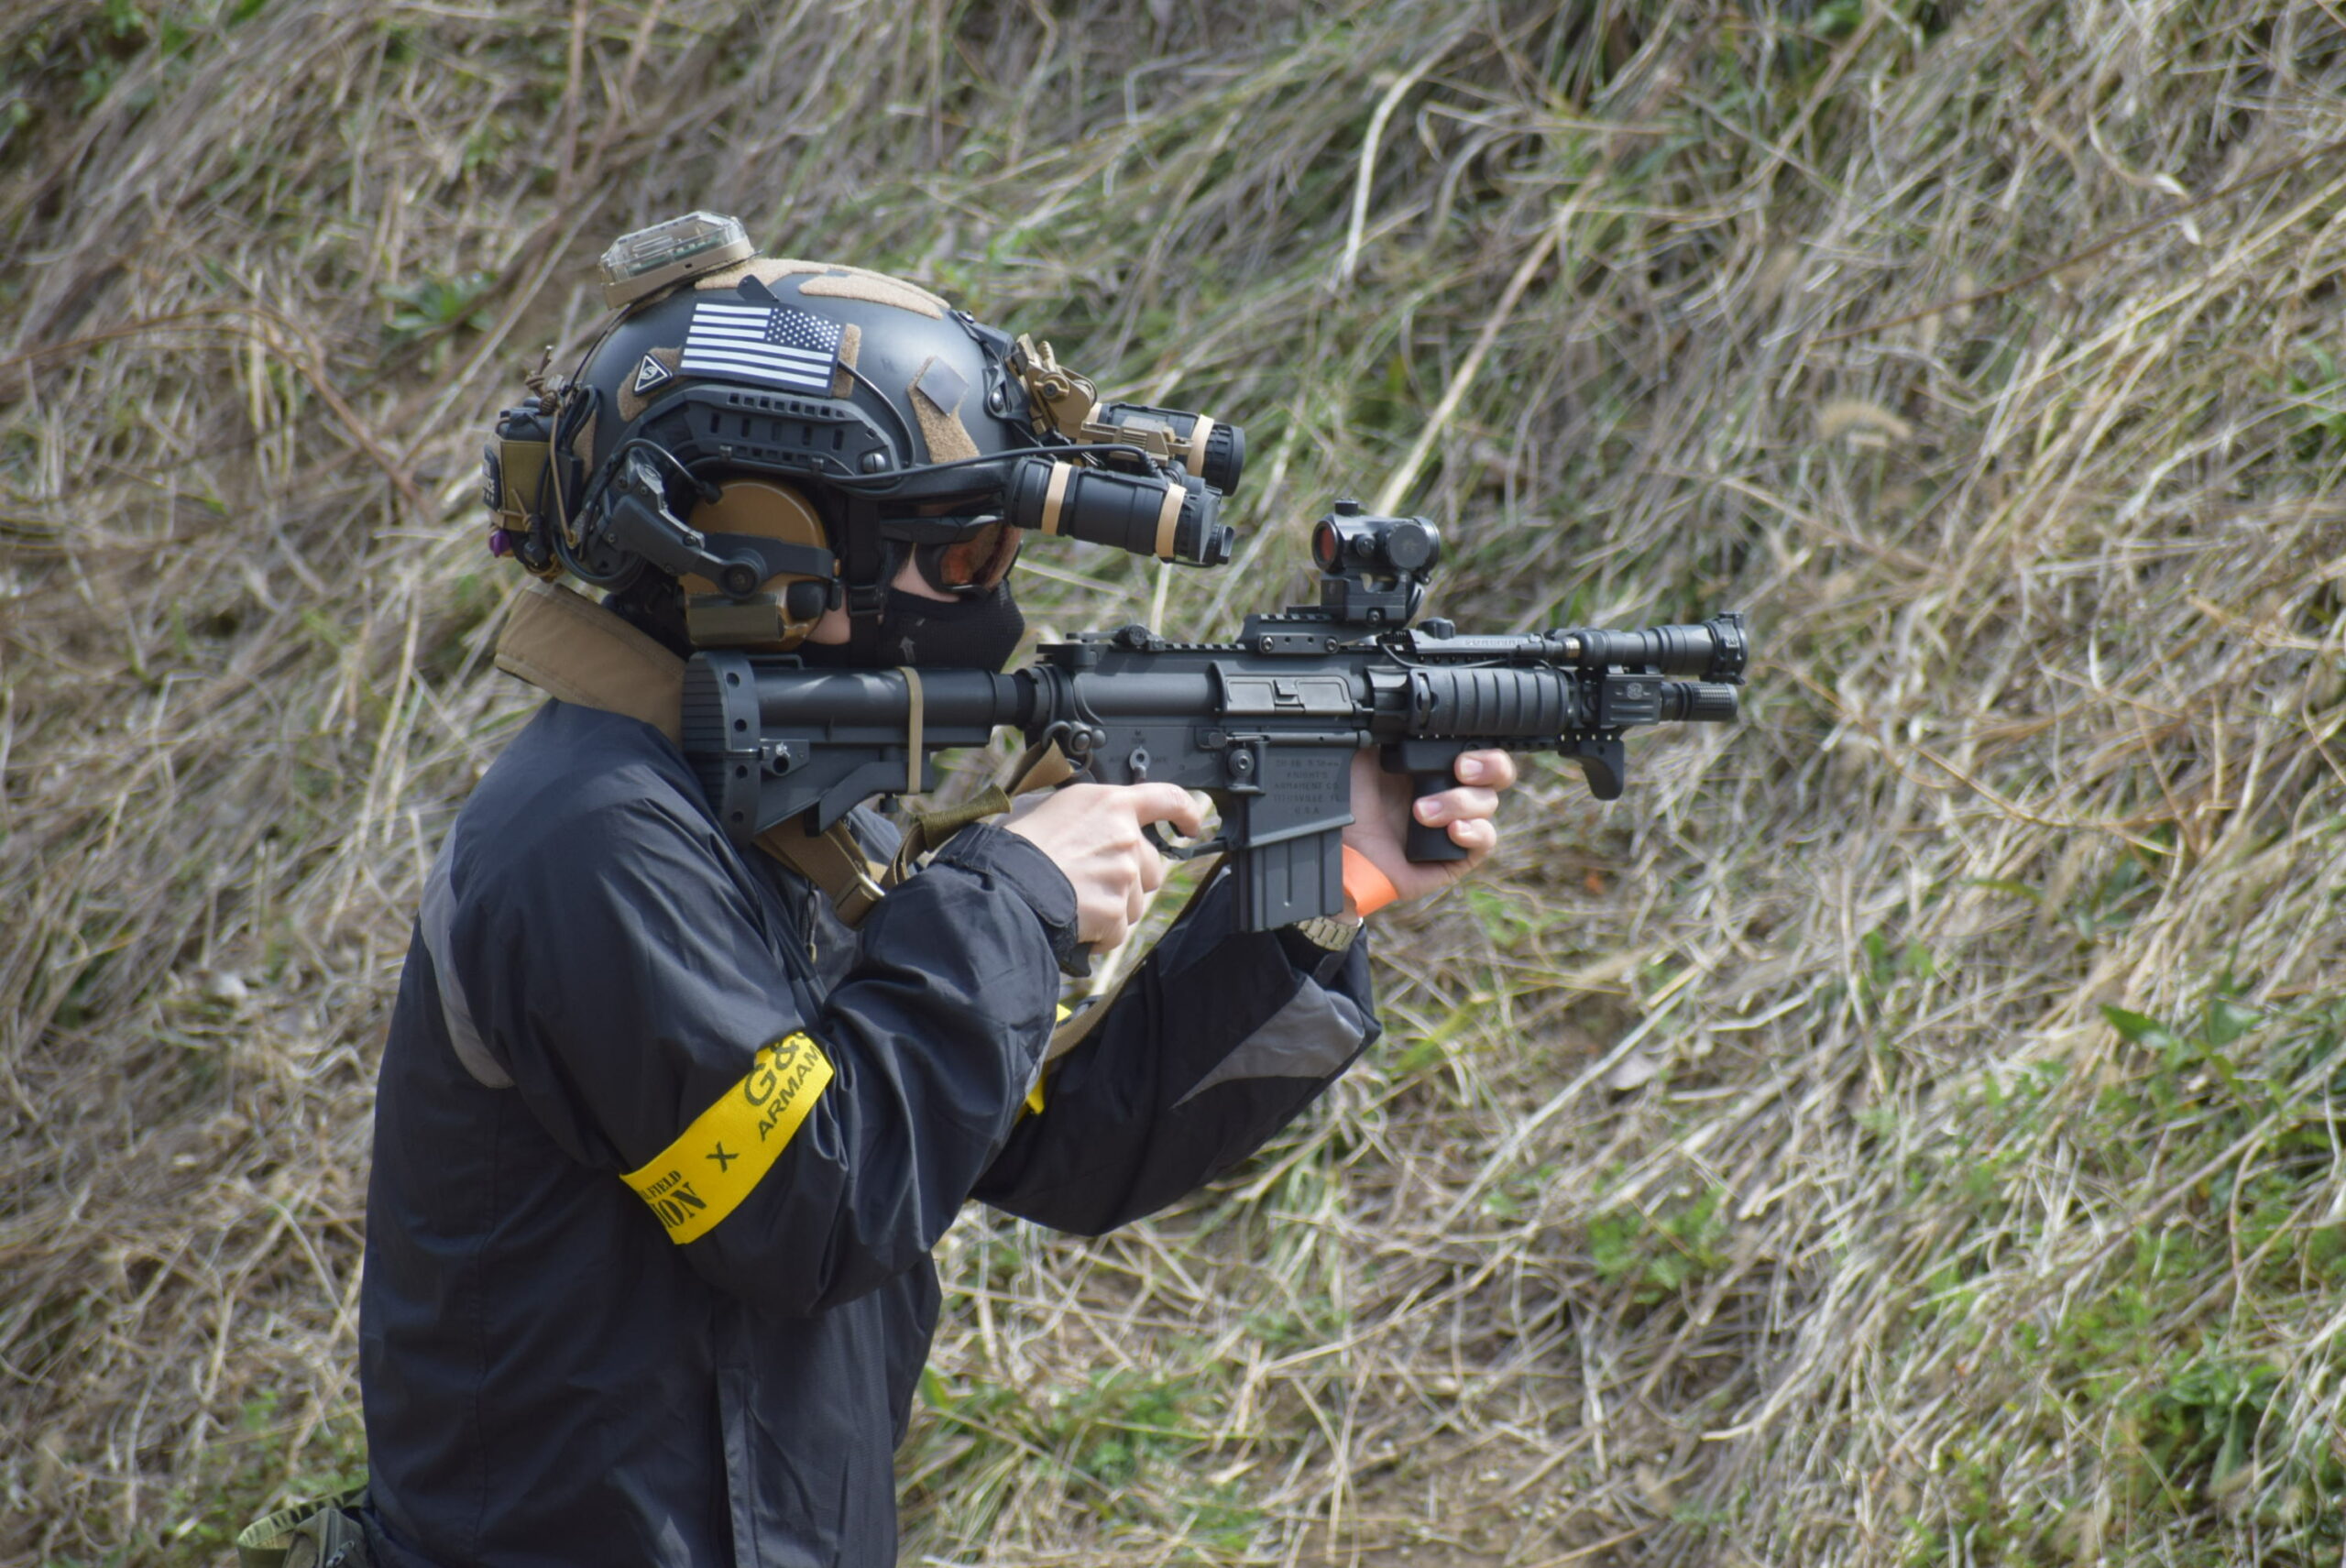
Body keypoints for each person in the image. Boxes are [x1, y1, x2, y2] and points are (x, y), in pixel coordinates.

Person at [348, 216, 1518, 1568]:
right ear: (761, 548)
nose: (993, 607)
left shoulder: (783, 819)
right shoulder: (592, 840)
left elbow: (1067, 1149)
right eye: (962, 560)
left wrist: (1330, 882)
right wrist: (1011, 893)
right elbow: (815, 1208)